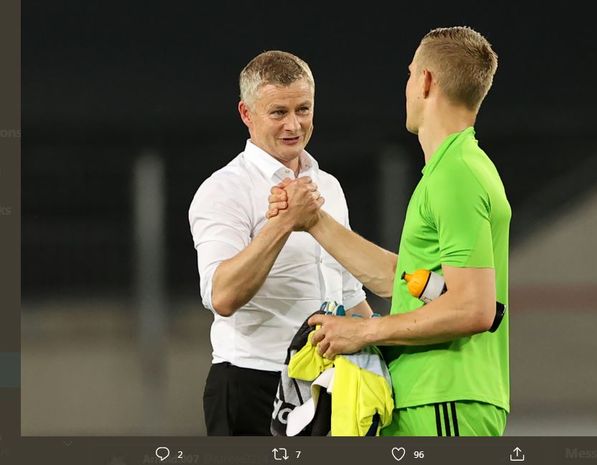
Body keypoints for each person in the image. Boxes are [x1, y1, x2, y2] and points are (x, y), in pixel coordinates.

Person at [266, 26, 510, 436]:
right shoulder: (457, 168)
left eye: (410, 74)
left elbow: (474, 308)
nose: (407, 87)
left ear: (427, 82)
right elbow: (407, 281)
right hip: (430, 397)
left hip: (444, 398)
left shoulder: (456, 176)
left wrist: (365, 331)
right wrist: (313, 222)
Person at [188, 50, 372, 436]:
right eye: (278, 112)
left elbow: (350, 293)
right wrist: (286, 222)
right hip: (253, 382)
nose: (294, 124)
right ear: (246, 114)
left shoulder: (329, 187)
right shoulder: (224, 190)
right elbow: (222, 295)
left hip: (328, 384)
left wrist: (378, 360)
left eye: (303, 109)